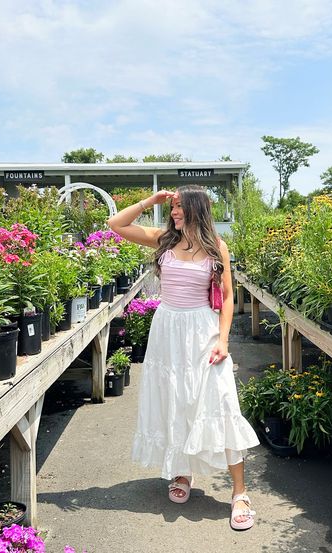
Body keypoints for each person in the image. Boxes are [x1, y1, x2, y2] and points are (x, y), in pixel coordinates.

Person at [108, 185, 259, 530]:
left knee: (220, 404)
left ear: (196, 209)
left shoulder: (216, 247)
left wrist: (223, 341)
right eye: (172, 208)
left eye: (178, 207)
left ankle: (239, 493)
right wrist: (151, 201)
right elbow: (115, 224)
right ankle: (182, 472)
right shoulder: (163, 240)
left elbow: (229, 296)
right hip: (167, 332)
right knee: (176, 401)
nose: (173, 213)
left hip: (203, 333)